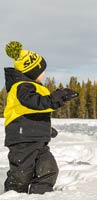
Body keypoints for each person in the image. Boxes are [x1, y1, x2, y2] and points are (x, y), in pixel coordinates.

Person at [3, 41, 79, 194]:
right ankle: (12, 195)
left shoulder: (31, 87)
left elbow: (33, 114)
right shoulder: (21, 87)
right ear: (31, 70)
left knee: (49, 170)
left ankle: (39, 195)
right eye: (41, 70)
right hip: (22, 141)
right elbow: (37, 103)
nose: (44, 74)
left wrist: (46, 130)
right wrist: (59, 96)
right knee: (21, 176)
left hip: (37, 139)